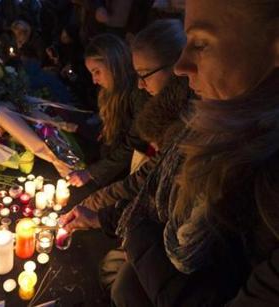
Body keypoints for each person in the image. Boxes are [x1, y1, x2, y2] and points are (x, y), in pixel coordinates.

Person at [64, 0, 279, 306]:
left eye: (201, 43)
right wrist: (104, 216)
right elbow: (152, 183)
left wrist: (136, 229)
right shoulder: (202, 124)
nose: (181, 66)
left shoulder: (263, 182)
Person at [60, 20, 191, 304]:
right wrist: (97, 208)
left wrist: (100, 208)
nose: (141, 86)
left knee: (117, 282)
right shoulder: (166, 116)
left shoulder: (185, 127)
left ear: (179, 66)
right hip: (146, 229)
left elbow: (146, 183)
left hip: (164, 243)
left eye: (144, 75)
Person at [66, 33, 149, 188]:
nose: (94, 80)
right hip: (110, 166)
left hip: (126, 176)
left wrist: (90, 173)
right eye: (91, 73)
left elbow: (132, 146)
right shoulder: (111, 91)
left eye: (97, 71)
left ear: (114, 64)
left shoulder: (139, 93)